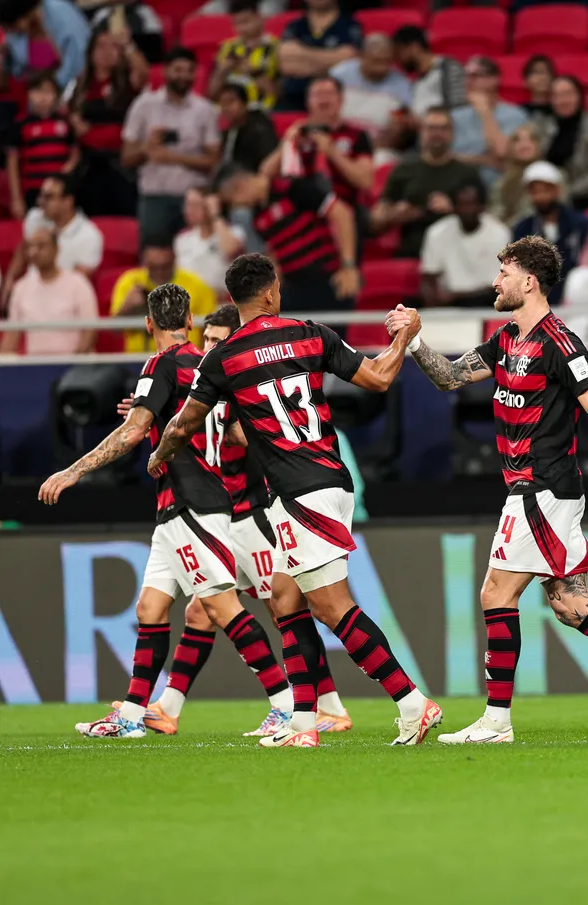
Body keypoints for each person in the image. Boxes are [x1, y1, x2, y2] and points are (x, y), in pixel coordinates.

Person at [386, 235, 588, 744]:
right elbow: (450, 378)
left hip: (543, 489)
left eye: (503, 272)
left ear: (529, 281)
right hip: (536, 492)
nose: (495, 281)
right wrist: (416, 339)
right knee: (572, 605)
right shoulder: (506, 339)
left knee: (495, 593)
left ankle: (497, 721)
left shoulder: (561, 343)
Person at [147, 252, 442, 748]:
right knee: (287, 600)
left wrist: (160, 453)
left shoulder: (222, 357)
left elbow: (184, 424)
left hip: (304, 491)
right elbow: (379, 378)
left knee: (332, 608)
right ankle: (302, 725)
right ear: (269, 293)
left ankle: (413, 704)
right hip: (310, 485)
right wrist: (402, 338)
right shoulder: (310, 333)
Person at [38, 284, 273, 740]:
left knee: (222, 607)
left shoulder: (161, 365)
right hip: (181, 506)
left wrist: (73, 471)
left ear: (148, 325)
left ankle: (286, 706)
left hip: (194, 503)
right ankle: (130, 715)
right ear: (188, 322)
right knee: (151, 608)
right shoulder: (205, 368)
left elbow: (132, 433)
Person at [113, 304, 352, 736]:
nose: (208, 349)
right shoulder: (206, 385)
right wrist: (156, 409)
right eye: (205, 340)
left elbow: (242, 432)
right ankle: (168, 707)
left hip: (252, 512)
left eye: (217, 342)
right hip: (228, 516)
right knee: (202, 612)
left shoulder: (243, 387)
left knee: (286, 608)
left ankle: (327, 706)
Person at [218, 167, 360, 312]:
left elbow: (342, 214)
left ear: (239, 188)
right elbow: (274, 256)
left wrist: (348, 267)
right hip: (296, 289)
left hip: (328, 280)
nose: (239, 207)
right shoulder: (257, 216)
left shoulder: (291, 188)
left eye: (233, 202)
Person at [122, 47, 221, 243]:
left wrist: (173, 157)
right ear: (165, 71)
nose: (183, 76)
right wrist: (147, 147)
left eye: (189, 70)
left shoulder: (206, 110)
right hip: (154, 198)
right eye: (178, 70)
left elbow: (213, 160)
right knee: (154, 261)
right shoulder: (143, 106)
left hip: (194, 197)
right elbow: (126, 157)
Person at [370, 106, 479, 259]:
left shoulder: (467, 173)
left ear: (452, 133)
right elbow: (376, 221)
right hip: (412, 251)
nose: (437, 133)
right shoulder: (403, 170)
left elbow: (482, 222)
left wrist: (454, 210)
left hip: (457, 253)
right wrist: (395, 214)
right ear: (421, 132)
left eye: (443, 128)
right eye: (431, 128)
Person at [260, 75, 373, 218]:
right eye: (317, 94)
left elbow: (365, 181)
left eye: (329, 94)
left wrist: (333, 153)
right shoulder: (298, 132)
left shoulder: (356, 134)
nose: (323, 99)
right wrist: (287, 144)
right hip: (298, 205)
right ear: (308, 101)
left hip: (344, 205)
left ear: (341, 100)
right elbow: (265, 174)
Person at [65, 23, 147, 217]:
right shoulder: (79, 85)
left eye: (113, 47)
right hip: (90, 165)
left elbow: (143, 72)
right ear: (91, 52)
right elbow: (68, 116)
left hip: (120, 165)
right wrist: (74, 122)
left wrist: (128, 45)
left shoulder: (127, 82)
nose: (106, 52)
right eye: (101, 46)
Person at [2, 173, 103, 306]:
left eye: (48, 197)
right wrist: (8, 282)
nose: (40, 202)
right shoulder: (35, 218)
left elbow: (77, 283)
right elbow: (22, 251)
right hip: (28, 296)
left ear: (68, 201)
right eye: (41, 195)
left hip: (63, 302)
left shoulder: (89, 235)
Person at [110, 236, 216, 352]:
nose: (159, 272)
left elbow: (210, 330)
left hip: (183, 360)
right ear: (144, 261)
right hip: (137, 362)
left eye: (165, 267)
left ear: (174, 259)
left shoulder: (197, 286)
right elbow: (115, 330)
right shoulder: (129, 282)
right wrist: (127, 307)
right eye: (154, 267)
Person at [3, 228, 98, 356]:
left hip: (76, 367)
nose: (34, 252)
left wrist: (73, 365)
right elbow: (11, 337)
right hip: (35, 368)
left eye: (41, 246)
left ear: (56, 249)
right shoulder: (21, 288)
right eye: (31, 247)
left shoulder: (78, 283)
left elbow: (89, 332)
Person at [420, 177, 511, 308]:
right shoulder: (436, 232)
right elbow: (428, 279)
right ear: (454, 206)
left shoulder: (500, 233)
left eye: (471, 204)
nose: (466, 210)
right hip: (448, 307)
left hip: (488, 303)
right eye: (461, 204)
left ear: (482, 206)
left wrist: (458, 296)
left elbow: (502, 284)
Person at [535, 75, 588, 208]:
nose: (561, 101)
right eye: (555, 96)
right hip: (545, 197)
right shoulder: (543, 126)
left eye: (567, 94)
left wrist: (562, 193)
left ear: (580, 97)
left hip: (585, 199)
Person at [512, 161, 588, 304]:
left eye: (546, 190)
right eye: (535, 192)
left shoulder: (580, 223)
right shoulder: (523, 228)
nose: (541, 197)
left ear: (556, 190)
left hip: (575, 297)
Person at [6, 71, 79, 219]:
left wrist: (65, 171)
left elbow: (75, 152)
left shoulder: (65, 122)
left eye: (48, 92)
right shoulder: (20, 124)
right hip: (33, 191)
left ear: (56, 96)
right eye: (38, 91)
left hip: (59, 192)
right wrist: (16, 199)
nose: (43, 97)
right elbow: (12, 162)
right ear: (29, 95)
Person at [451, 56, 529, 189]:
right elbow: (445, 158)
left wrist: (485, 113)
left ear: (494, 79)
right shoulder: (455, 116)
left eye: (475, 76)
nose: (468, 82)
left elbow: (502, 153)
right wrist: (485, 160)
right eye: (466, 76)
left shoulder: (515, 115)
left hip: (500, 188)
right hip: (459, 188)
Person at [278, 0, 362, 112]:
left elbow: (349, 60)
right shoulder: (295, 26)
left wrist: (301, 53)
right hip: (294, 99)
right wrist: (331, 60)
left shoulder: (349, 25)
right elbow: (286, 64)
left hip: (336, 102)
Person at [330, 32, 412, 136]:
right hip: (338, 134)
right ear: (362, 55)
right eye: (376, 61)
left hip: (379, 140)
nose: (382, 68)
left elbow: (402, 116)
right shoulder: (340, 74)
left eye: (386, 62)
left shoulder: (401, 84)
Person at [0, 0, 91, 90]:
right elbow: (17, 68)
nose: (9, 32)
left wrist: (54, 86)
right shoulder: (15, 33)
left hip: (69, 88)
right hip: (35, 93)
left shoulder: (60, 14)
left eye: (11, 28)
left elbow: (79, 58)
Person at [174, 187, 245, 298]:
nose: (187, 210)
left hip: (222, 303)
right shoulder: (182, 239)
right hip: (191, 304)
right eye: (187, 205)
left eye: (194, 205)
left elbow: (230, 249)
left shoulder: (233, 233)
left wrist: (215, 214)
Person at [208, 0, 279, 108]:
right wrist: (221, 72)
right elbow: (211, 93)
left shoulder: (276, 47)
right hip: (225, 110)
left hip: (261, 109)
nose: (241, 28)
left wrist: (253, 72)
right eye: (236, 24)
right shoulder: (226, 48)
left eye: (246, 22)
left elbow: (276, 93)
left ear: (259, 18)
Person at [490, 123, 562, 227]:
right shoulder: (502, 183)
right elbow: (496, 213)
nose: (524, 145)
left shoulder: (556, 175)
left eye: (531, 139)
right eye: (517, 140)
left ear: (539, 145)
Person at [391, 24, 466, 117]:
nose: (398, 60)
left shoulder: (448, 68)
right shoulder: (416, 80)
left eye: (399, 53)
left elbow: (459, 110)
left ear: (414, 47)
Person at [218, 82, 279, 174]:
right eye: (223, 103)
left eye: (230, 102)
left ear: (245, 103)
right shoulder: (227, 133)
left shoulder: (260, 129)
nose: (226, 108)